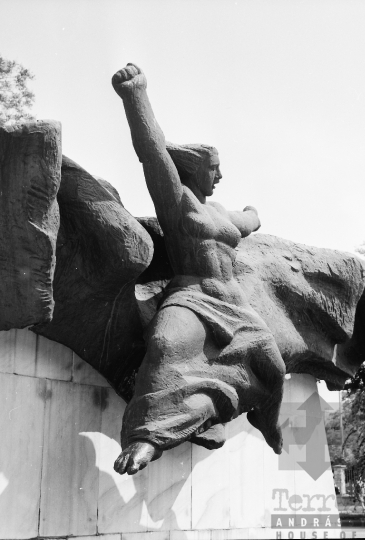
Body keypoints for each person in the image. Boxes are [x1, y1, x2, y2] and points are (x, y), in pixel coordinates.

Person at [112, 63, 286, 475]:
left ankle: (267, 419)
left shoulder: (222, 213)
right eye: (214, 169)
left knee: (274, 369)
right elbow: (152, 151)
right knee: (166, 345)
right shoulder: (177, 203)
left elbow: (251, 221)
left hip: (235, 305)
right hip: (192, 296)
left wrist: (254, 212)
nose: (221, 176)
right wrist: (135, 96)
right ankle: (145, 439)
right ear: (194, 170)